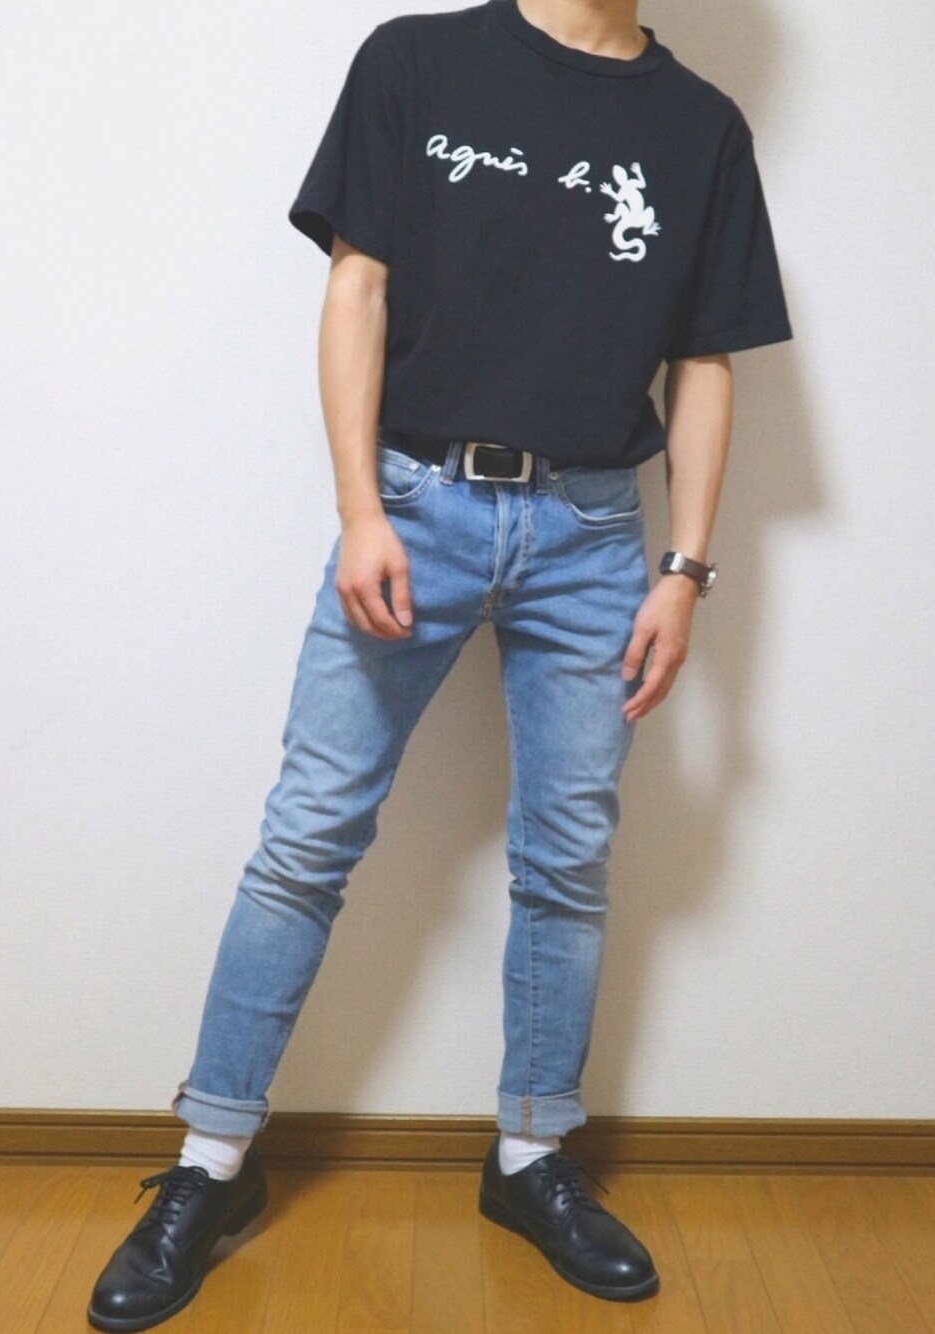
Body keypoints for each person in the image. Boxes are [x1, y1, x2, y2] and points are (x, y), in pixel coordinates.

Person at [87, 0, 793, 1326]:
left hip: (595, 535)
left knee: (567, 857)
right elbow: (357, 284)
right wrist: (361, 507)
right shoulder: (416, 60)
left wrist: (684, 569)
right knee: (307, 835)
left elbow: (703, 358)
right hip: (414, 503)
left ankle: (530, 1155)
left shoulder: (701, 128)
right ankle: (210, 1162)